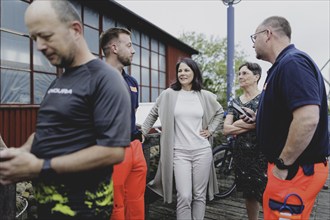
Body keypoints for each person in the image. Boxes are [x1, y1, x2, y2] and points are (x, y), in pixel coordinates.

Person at [0, 1, 131, 219]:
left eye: (46, 36)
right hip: (48, 209)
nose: (40, 46)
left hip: (85, 210)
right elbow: (47, 132)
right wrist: (21, 152)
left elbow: (113, 151)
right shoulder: (61, 80)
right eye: (34, 39)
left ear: (75, 30)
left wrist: (41, 167)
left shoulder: (105, 79)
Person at [244, 16, 329, 219]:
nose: (253, 43)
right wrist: (261, 120)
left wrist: (283, 164)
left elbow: (308, 119)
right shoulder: (284, 65)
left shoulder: (293, 63)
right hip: (293, 169)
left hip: (295, 170)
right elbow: (289, 114)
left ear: (268, 34)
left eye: (254, 37)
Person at [142, 57, 224, 220]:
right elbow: (153, 113)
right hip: (179, 153)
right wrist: (143, 132)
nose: (182, 73)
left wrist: (211, 130)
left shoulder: (205, 95)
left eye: (186, 70)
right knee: (184, 195)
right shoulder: (168, 94)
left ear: (194, 73)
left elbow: (220, 112)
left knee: (199, 195)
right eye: (180, 70)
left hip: (202, 151)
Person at [100, 27, 147, 220]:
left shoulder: (132, 82)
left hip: (135, 147)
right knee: (115, 205)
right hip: (111, 150)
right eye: (129, 45)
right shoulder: (95, 78)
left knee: (136, 202)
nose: (133, 50)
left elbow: (131, 114)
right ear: (114, 48)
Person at [223, 62, 267, 220]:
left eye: (245, 73)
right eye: (239, 73)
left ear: (256, 77)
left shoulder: (265, 98)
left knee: (266, 193)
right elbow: (226, 129)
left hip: (263, 154)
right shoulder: (234, 102)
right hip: (242, 155)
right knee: (249, 195)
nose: (240, 76)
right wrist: (252, 124)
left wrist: (236, 124)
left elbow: (266, 122)